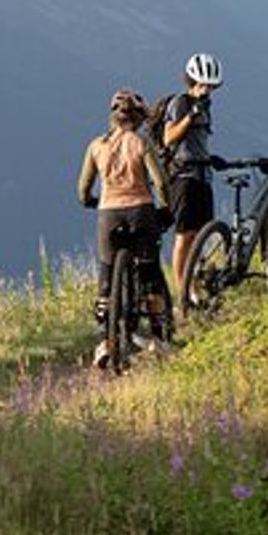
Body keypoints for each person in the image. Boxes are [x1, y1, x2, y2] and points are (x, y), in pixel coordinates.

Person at [77, 88, 173, 368]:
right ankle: (158, 338)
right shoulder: (140, 142)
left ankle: (106, 341)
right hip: (140, 211)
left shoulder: (96, 145)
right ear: (135, 118)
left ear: (112, 116)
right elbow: (161, 183)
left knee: (107, 273)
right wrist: (165, 209)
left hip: (109, 212)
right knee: (150, 271)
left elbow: (83, 189)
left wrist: (91, 201)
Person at [164, 53, 224, 296]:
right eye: (202, 85)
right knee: (184, 235)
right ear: (192, 81)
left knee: (200, 234)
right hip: (183, 176)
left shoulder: (207, 106)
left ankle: (194, 285)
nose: (206, 90)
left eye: (211, 86)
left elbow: (198, 141)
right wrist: (191, 115)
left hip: (203, 174)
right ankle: (182, 291)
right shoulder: (180, 103)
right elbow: (168, 138)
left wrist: (211, 158)